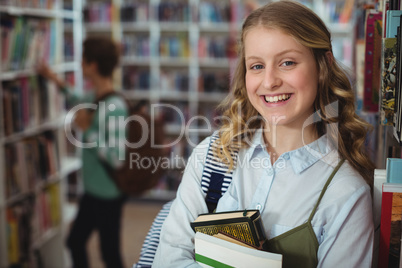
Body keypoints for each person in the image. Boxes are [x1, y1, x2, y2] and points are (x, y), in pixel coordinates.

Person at [152, 1, 375, 267]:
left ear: (323, 64)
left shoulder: (345, 194)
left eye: (287, 62)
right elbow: (168, 257)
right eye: (256, 66)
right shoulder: (213, 156)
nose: (269, 81)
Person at [37, 36, 128, 268]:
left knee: (109, 254)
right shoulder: (93, 98)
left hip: (107, 194)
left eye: (83, 59)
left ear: (93, 65)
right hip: (94, 190)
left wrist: (88, 131)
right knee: (76, 242)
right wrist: (54, 79)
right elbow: (77, 98)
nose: (79, 64)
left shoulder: (115, 107)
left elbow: (116, 158)